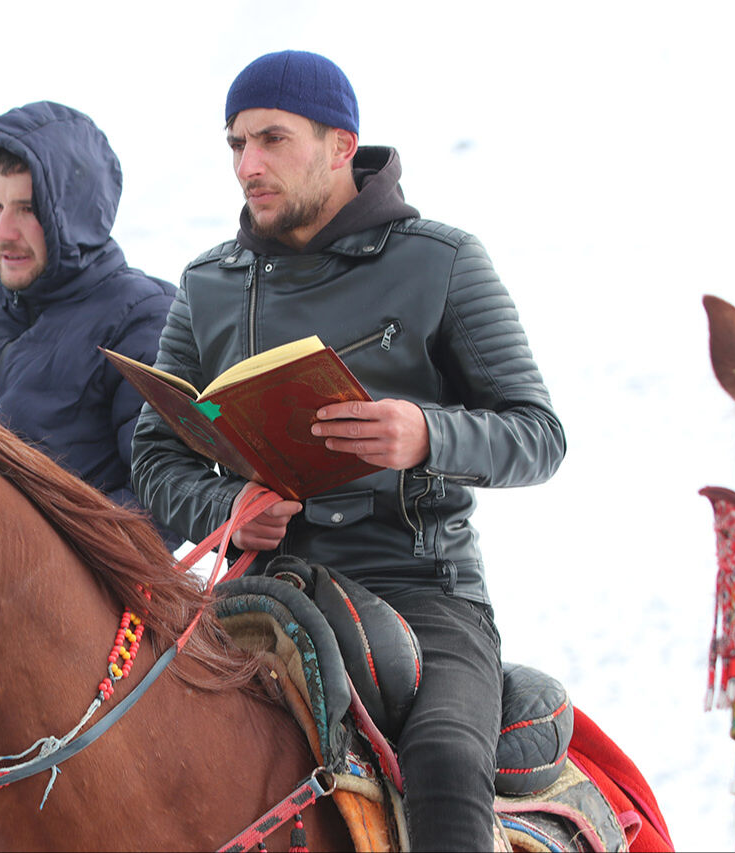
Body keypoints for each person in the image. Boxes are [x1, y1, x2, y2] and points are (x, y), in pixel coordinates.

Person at [130, 51, 566, 850]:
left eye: (271, 139)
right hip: (261, 581)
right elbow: (156, 455)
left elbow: (539, 434)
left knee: (441, 758)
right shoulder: (207, 285)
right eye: (235, 144)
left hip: (424, 590)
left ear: (341, 146)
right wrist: (223, 508)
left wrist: (425, 434)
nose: (247, 165)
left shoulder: (443, 261)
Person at [0, 100, 178, 851]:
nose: (5, 229)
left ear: (78, 210)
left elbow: (163, 499)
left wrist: (35, 570)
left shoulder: (142, 317)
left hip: (71, 653)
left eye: (28, 208)